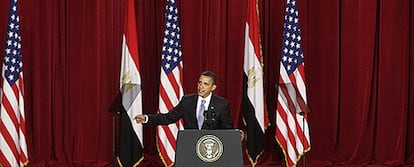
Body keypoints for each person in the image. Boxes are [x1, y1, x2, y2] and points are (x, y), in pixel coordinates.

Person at [134, 71, 234, 130]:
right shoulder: (187, 101)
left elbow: (227, 130)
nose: (201, 87)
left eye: (206, 84)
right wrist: (147, 118)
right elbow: (168, 117)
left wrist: (236, 133)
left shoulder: (222, 104)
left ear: (213, 87)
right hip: (190, 146)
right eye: (199, 82)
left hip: (211, 150)